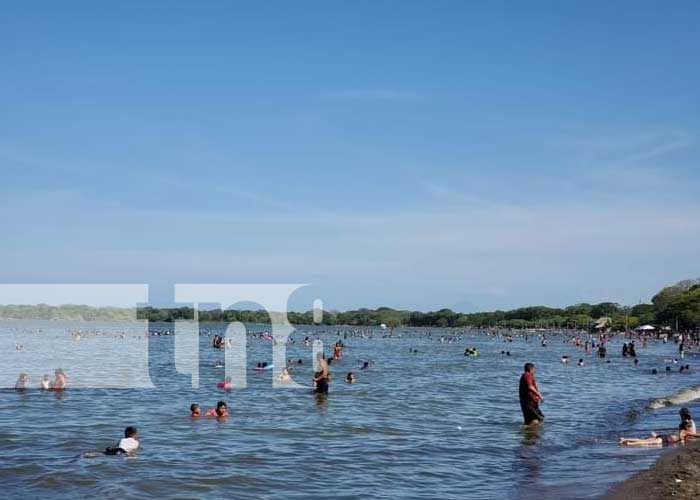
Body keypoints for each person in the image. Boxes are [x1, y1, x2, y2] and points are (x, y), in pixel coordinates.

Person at [619, 420, 695, 446]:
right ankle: (629, 443)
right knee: (645, 442)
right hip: (664, 439)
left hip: (664, 437)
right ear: (687, 428)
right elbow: (696, 435)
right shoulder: (685, 432)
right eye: (690, 427)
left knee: (643, 440)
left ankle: (624, 439)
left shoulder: (681, 431)